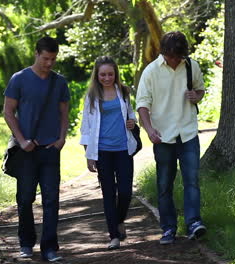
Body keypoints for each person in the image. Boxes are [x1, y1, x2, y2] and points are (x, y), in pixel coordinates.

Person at [136, 31, 207, 245]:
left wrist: (197, 96)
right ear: (164, 52)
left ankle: (194, 223)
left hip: (187, 133)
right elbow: (142, 104)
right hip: (163, 136)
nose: (176, 60)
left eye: (179, 56)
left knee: (192, 182)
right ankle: (168, 228)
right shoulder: (150, 72)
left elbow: (200, 90)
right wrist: (149, 130)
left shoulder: (191, 66)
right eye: (172, 56)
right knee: (164, 184)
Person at [3, 36, 70, 262]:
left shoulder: (59, 82)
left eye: (53, 59)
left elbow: (64, 113)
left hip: (51, 149)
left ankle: (50, 247)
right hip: (26, 151)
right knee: (25, 198)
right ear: (36, 54)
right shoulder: (19, 79)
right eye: (45, 58)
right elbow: (8, 112)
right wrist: (21, 140)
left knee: (51, 199)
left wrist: (62, 139)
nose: (49, 63)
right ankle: (26, 243)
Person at [79, 56, 138, 250]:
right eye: (103, 74)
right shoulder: (92, 96)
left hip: (123, 149)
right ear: (97, 75)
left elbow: (130, 114)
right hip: (102, 151)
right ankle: (113, 235)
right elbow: (86, 126)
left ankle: (119, 220)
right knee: (108, 193)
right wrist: (89, 154)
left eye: (110, 74)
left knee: (125, 192)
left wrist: (132, 121)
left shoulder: (123, 91)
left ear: (115, 74)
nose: (106, 78)